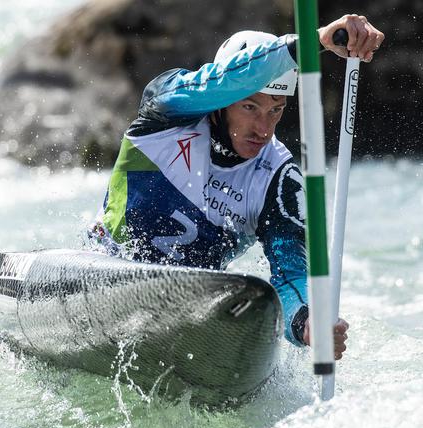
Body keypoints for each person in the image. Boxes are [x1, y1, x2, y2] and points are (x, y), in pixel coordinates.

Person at [89, 14, 384, 360]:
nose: (264, 127)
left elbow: (290, 274)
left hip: (189, 312)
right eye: (249, 106)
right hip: (107, 270)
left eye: (276, 110)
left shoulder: (278, 178)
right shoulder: (167, 109)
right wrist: (311, 42)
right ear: (222, 101)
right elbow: (225, 81)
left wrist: (306, 321)